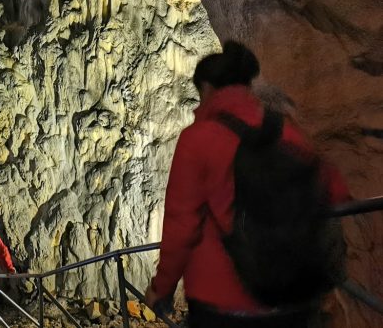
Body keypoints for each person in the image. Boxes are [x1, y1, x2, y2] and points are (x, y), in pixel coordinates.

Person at [144, 41, 350, 327]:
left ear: (207, 88)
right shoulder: (286, 130)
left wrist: (161, 287)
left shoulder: (198, 139)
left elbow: (183, 224)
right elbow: (333, 192)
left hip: (222, 301)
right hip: (291, 297)